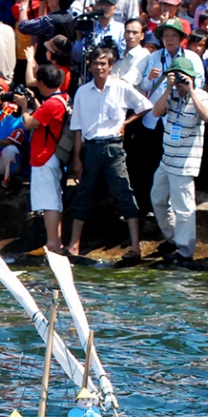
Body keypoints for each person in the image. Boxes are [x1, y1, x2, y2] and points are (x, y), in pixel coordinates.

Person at [66, 47, 152, 259]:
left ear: (110, 66)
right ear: (90, 66)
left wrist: (125, 123)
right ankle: (74, 245)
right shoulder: (82, 92)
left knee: (124, 192)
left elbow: (145, 105)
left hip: (113, 147)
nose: (99, 67)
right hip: (90, 147)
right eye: (96, 63)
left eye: (103, 64)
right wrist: (77, 158)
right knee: (83, 193)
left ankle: (135, 247)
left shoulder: (120, 87)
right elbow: (77, 128)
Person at [150, 55, 208, 260]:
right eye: (175, 76)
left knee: (183, 207)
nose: (179, 81)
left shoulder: (201, 96)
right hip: (167, 159)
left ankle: (185, 250)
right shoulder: (171, 95)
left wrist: (191, 90)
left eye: (182, 77)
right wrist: (168, 88)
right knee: (158, 199)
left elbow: (207, 117)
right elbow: (156, 112)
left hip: (185, 162)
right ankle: (172, 238)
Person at [16, 63, 72, 255]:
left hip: (45, 156)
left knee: (49, 203)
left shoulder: (52, 104)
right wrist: (33, 102)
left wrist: (24, 107)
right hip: (51, 155)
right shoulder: (62, 99)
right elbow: (43, 117)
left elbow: (29, 123)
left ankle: (53, 243)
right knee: (53, 200)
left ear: (41, 82)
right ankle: (55, 241)